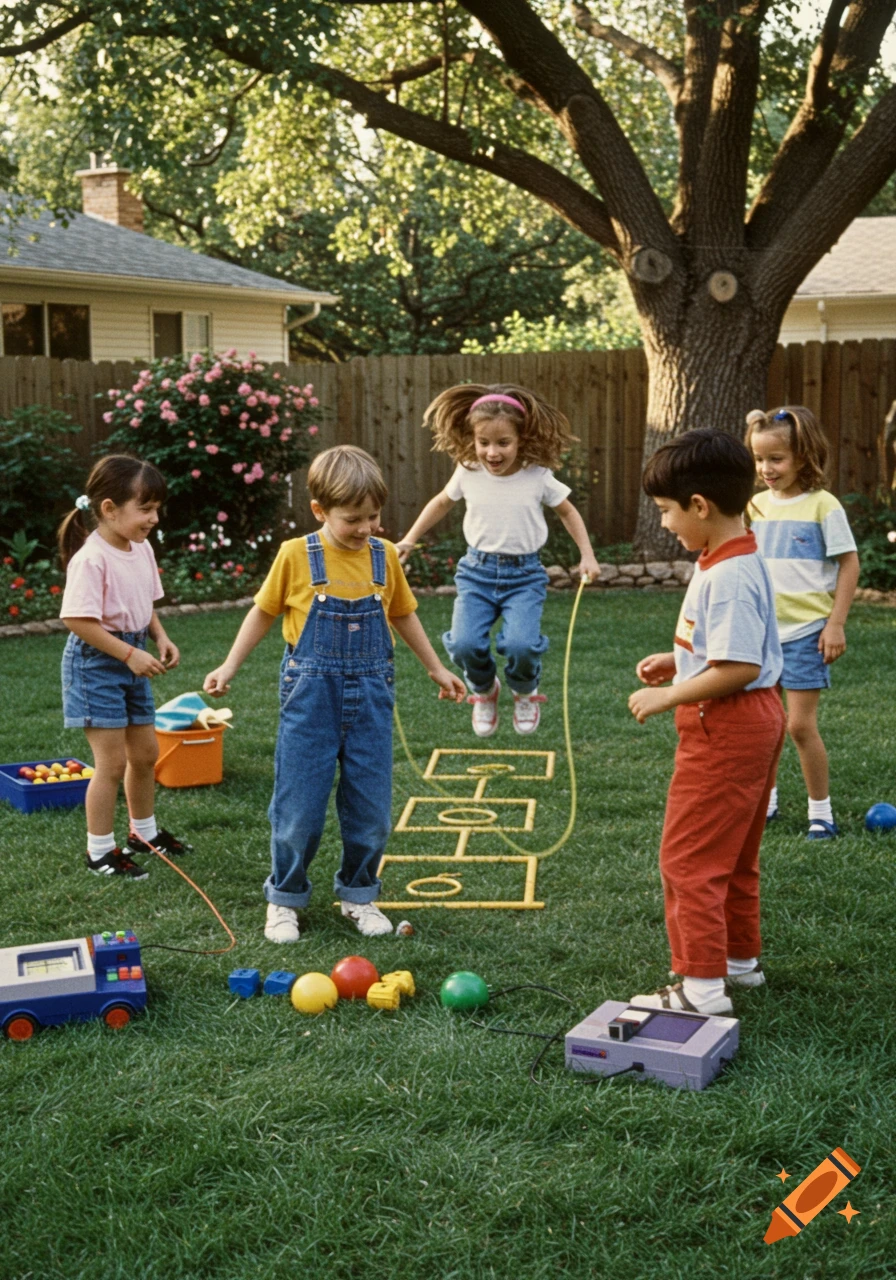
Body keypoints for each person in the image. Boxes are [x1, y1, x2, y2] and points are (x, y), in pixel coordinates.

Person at [203, 445, 466, 943]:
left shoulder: (384, 556)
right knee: (297, 810)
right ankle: (284, 899)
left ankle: (359, 894)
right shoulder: (296, 555)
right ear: (320, 511)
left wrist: (435, 668)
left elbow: (402, 612)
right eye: (353, 519)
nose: (366, 527)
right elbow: (263, 611)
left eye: (373, 516)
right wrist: (229, 664)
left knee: (371, 810)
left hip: (370, 699)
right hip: (310, 699)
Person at [627, 428, 785, 1015]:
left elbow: (740, 666)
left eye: (667, 512)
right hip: (754, 719)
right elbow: (734, 646)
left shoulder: (727, 575)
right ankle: (739, 966)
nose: (665, 523)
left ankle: (699, 990)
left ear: (700, 505)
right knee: (735, 855)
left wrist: (670, 694)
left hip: (728, 723)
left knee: (689, 859)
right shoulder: (732, 555)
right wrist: (680, 659)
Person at [396, 384, 600, 737]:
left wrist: (587, 554)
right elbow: (441, 503)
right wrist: (410, 540)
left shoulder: (537, 475)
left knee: (521, 645)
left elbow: (568, 512)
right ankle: (484, 690)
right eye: (484, 442)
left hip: (524, 576)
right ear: (472, 440)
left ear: (521, 439)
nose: (492, 452)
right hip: (476, 573)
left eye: (503, 442)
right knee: (463, 644)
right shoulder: (468, 470)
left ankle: (524, 690)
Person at [59, 454, 191, 880]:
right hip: (96, 663)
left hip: (131, 656)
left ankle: (144, 834)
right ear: (109, 509)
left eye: (156, 509)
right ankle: (99, 851)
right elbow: (77, 620)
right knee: (111, 764)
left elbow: (144, 604)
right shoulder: (92, 558)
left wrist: (160, 637)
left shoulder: (141, 547)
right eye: (145, 509)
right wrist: (128, 654)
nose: (154, 518)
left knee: (146, 754)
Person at [746, 406, 860, 839]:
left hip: (806, 632)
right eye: (759, 459)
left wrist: (836, 624)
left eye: (776, 459)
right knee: (765, 724)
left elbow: (849, 565)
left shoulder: (822, 505)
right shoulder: (753, 505)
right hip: (761, 634)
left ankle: (821, 813)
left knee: (798, 725)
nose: (766, 469)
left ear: (803, 456)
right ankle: (768, 804)